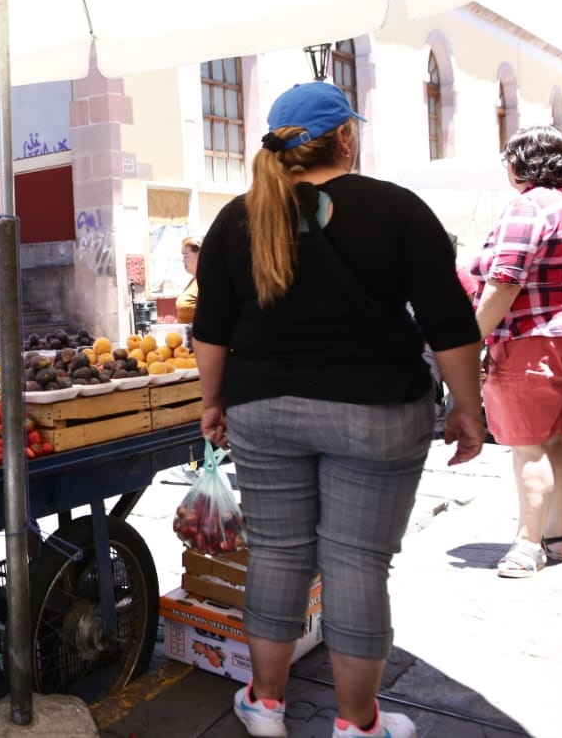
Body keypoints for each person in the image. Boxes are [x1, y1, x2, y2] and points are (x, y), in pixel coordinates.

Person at [191, 82, 484, 738]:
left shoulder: (237, 218)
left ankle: (265, 703)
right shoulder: (399, 210)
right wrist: (469, 407)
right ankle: (358, 723)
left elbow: (210, 329)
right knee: (356, 563)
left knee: (277, 555)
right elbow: (450, 323)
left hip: (263, 409)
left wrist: (213, 402)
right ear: (345, 138)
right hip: (376, 409)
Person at [471, 125, 562, 577]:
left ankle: (528, 544)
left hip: (532, 338)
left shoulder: (529, 206)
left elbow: (505, 280)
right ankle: (558, 536)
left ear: (521, 163)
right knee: (561, 440)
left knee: (528, 447)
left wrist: (470, 342)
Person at [176, 235, 203, 324]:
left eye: (186, 256)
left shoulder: (206, 281)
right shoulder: (193, 281)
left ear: (199, 255)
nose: (183, 261)